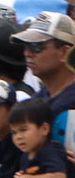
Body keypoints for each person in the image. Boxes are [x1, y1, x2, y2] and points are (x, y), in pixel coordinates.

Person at [13, 12, 75, 151]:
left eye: (36, 46)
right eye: (25, 46)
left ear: (65, 52)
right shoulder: (38, 99)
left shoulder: (71, 102)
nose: (27, 53)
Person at [5, 96, 70, 178]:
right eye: (14, 132)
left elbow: (59, 176)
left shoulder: (50, 151)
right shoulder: (25, 156)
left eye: (23, 130)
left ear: (44, 129)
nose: (18, 137)